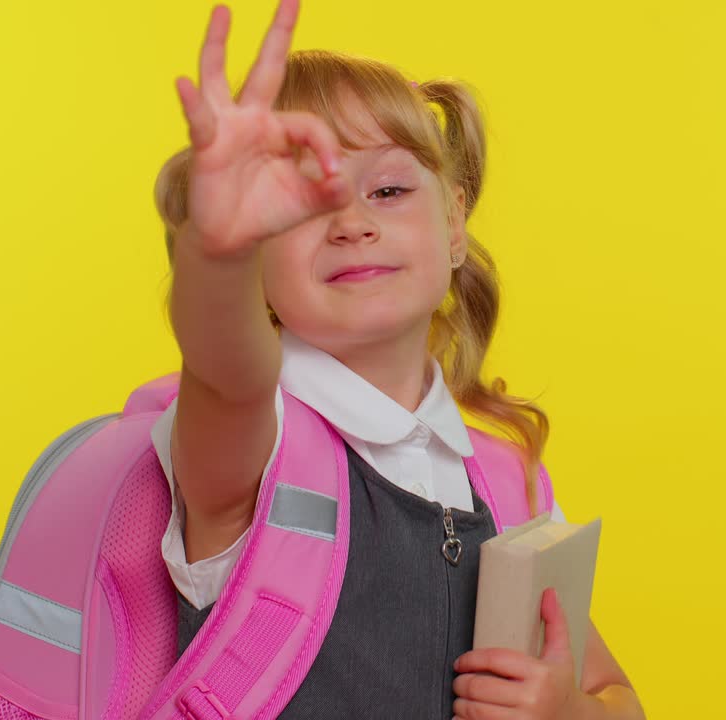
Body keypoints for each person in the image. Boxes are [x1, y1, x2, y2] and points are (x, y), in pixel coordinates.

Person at [150, 2, 645, 717]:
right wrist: (215, 252)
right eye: (302, 203)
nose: (353, 222)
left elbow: (615, 695)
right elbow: (225, 369)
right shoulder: (252, 435)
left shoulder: (507, 482)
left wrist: (567, 709)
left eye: (388, 189)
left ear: (453, 224)